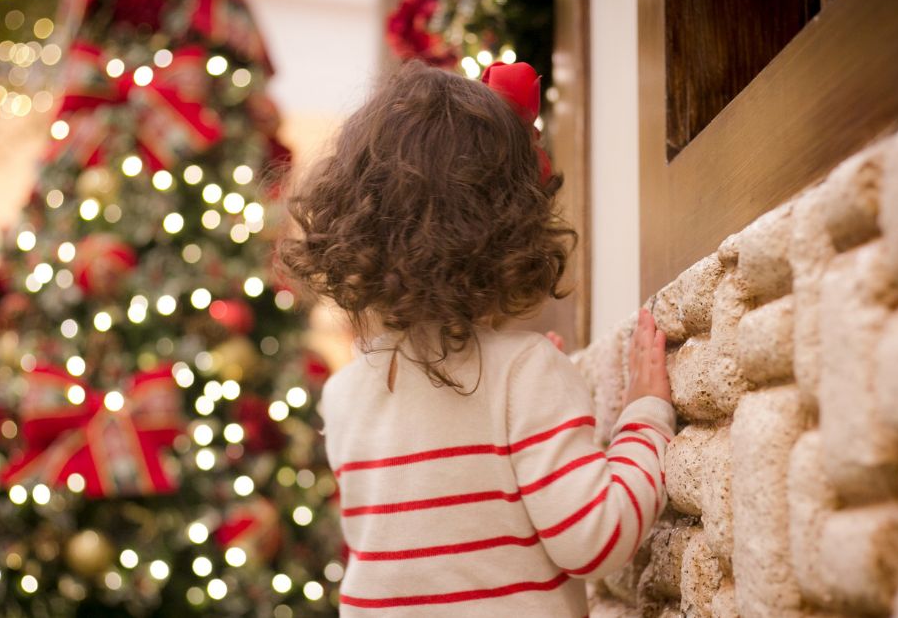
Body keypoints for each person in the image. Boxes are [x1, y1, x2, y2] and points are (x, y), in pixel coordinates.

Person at [279, 59, 675, 616]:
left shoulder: (343, 394)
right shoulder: (525, 371)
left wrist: (526, 391)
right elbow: (595, 540)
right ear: (512, 226)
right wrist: (644, 417)